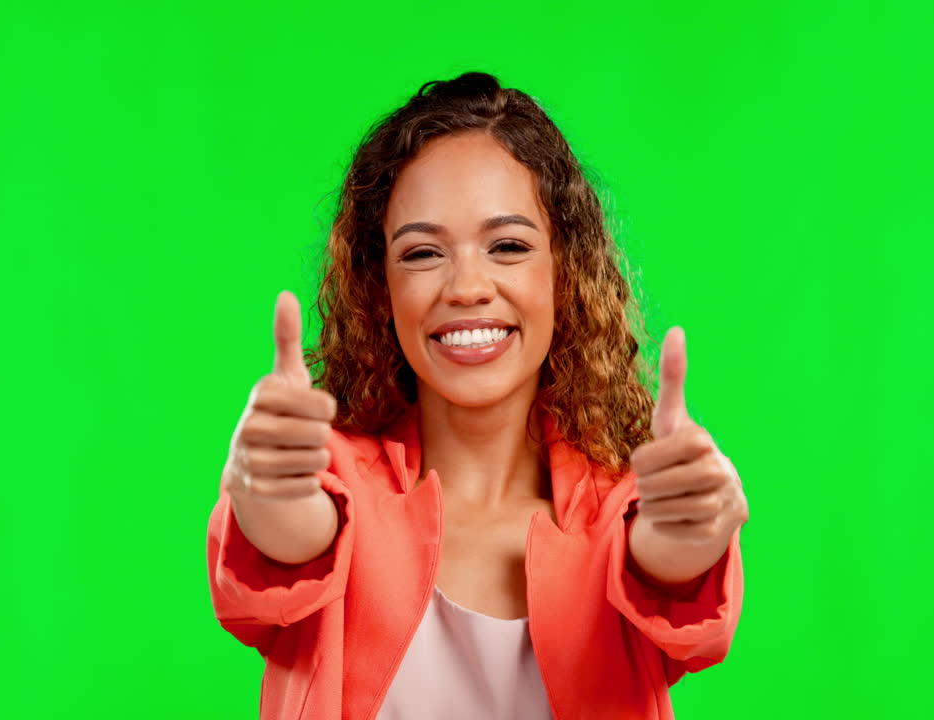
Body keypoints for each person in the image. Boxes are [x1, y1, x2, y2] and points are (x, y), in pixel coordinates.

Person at [206, 72, 749, 720]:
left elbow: (665, 574)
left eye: (508, 246)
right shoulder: (334, 483)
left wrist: (686, 535)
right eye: (422, 253)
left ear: (565, 271)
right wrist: (268, 492)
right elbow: (294, 536)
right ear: (380, 288)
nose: (467, 287)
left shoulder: (622, 517)